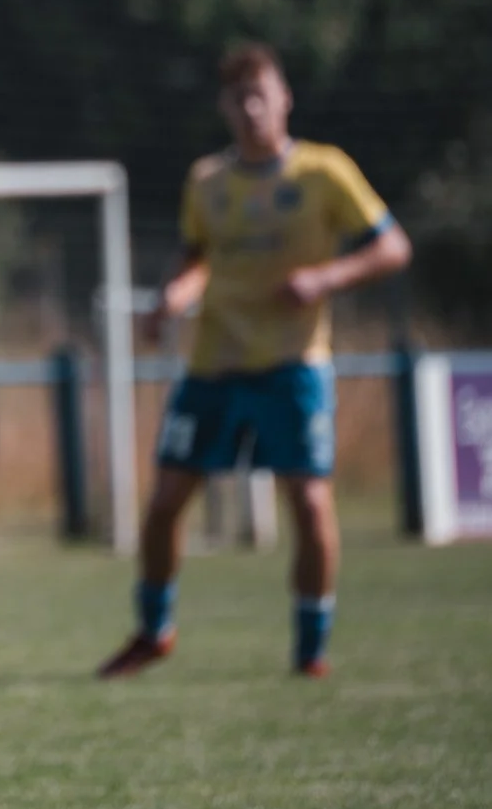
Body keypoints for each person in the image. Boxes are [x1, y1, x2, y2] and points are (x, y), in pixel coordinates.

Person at [97, 42, 411, 683]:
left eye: (258, 96)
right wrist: (172, 298)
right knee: (163, 503)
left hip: (293, 365)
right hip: (214, 364)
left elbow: (393, 249)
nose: (248, 110)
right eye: (236, 99)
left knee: (310, 503)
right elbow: (196, 257)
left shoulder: (324, 172)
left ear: (284, 99)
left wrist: (324, 278)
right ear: (224, 107)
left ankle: (310, 650)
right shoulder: (207, 181)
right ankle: (154, 630)